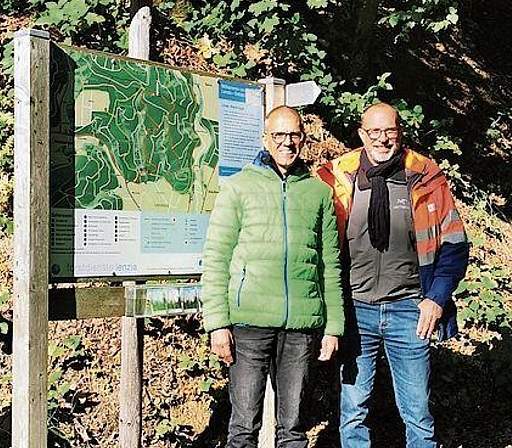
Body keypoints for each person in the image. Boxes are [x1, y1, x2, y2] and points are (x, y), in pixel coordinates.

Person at [317, 103, 469, 448]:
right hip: (355, 309)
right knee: (353, 409)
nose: (383, 139)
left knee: (417, 411)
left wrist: (436, 299)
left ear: (400, 132)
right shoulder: (338, 178)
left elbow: (455, 245)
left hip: (410, 310)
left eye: (390, 131)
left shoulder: (425, 176)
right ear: (361, 134)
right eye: (375, 132)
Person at [201, 105, 344, 448]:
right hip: (248, 323)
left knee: (293, 430)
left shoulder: (319, 193)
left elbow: (330, 263)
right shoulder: (238, 187)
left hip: (301, 325)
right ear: (265, 138)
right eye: (278, 135)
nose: (286, 142)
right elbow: (216, 257)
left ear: (303, 138)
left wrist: (333, 326)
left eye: (293, 134)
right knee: (243, 428)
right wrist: (217, 324)